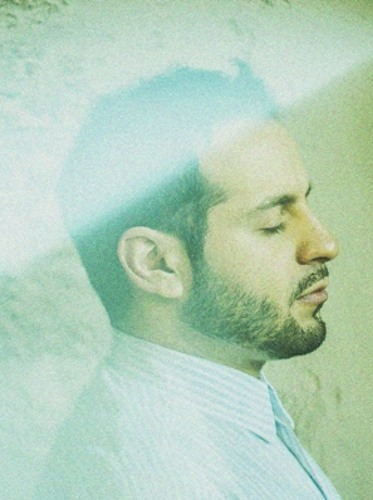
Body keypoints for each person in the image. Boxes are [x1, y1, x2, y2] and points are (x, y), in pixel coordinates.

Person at [35, 61, 341, 499]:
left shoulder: (224, 422)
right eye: (273, 222)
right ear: (156, 264)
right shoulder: (163, 478)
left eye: (305, 205)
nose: (325, 244)